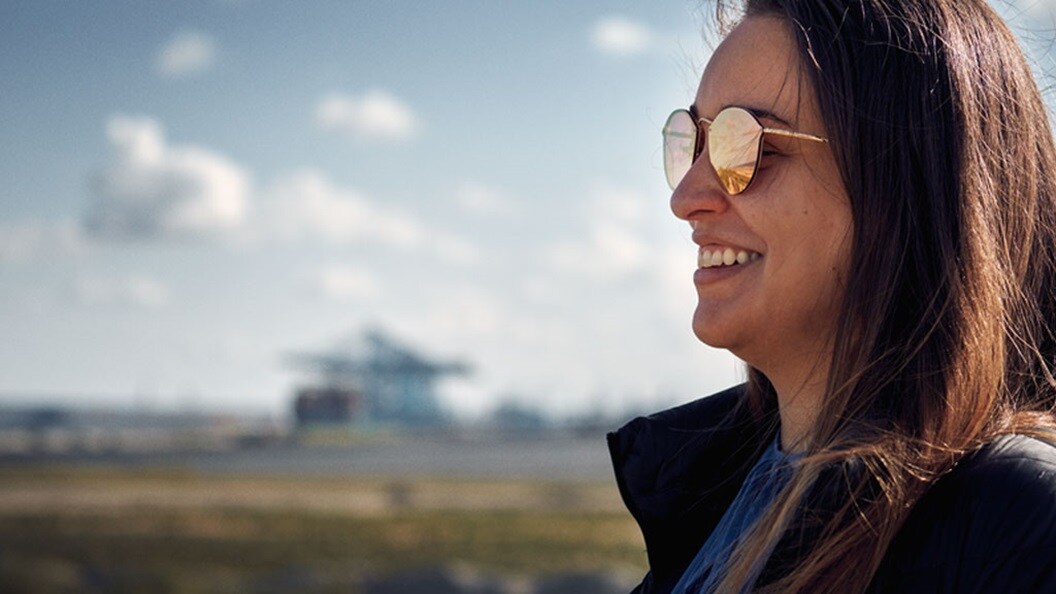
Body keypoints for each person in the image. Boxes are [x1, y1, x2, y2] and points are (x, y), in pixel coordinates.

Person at [607, 1, 1056, 592]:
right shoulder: (712, 497)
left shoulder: (1018, 524)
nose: (688, 196)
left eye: (746, 146)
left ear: (910, 183)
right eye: (692, 141)